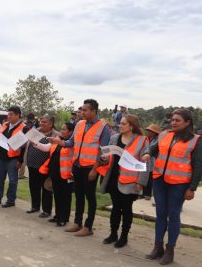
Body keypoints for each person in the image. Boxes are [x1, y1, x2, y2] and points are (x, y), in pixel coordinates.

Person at [145, 108, 201, 265]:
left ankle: (170, 250)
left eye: (177, 120)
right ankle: (158, 247)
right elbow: (154, 148)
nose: (173, 122)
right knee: (160, 214)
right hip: (160, 180)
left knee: (173, 214)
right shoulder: (164, 134)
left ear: (188, 122)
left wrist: (192, 188)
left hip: (179, 183)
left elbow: (198, 166)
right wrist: (147, 153)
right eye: (172, 120)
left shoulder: (195, 140)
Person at [48, 98, 111, 237]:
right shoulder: (79, 124)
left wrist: (95, 169)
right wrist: (58, 142)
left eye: (84, 110)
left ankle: (88, 227)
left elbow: (104, 152)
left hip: (90, 168)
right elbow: (71, 142)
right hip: (77, 165)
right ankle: (77, 222)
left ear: (93, 111)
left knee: (90, 197)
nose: (81, 111)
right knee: (79, 195)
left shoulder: (103, 128)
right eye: (81, 109)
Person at [96, 115, 149, 248]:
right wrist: (104, 159)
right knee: (115, 208)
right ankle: (113, 234)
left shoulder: (142, 140)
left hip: (130, 181)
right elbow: (109, 157)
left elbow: (145, 163)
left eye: (123, 123)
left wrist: (140, 182)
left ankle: (123, 237)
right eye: (120, 123)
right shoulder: (114, 138)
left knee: (126, 210)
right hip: (114, 178)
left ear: (131, 126)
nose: (120, 125)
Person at [0, 106, 26, 208]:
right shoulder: (5, 125)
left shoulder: (24, 128)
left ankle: (11, 200)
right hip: (1, 157)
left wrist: (20, 160)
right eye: (8, 114)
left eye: (11, 114)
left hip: (13, 158)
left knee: (13, 180)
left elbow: (24, 147)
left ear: (18, 115)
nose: (9, 116)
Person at [37, 122, 75, 226]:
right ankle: (58, 216)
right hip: (55, 173)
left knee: (65, 197)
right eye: (61, 129)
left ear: (71, 132)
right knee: (57, 196)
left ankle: (64, 218)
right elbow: (46, 147)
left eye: (64, 129)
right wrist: (34, 143)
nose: (62, 131)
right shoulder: (58, 140)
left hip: (67, 174)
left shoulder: (73, 143)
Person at [25, 114, 59, 217]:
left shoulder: (56, 135)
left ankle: (46, 210)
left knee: (46, 188)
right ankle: (35, 206)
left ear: (51, 124)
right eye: (41, 121)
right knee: (33, 186)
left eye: (44, 122)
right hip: (32, 164)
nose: (41, 123)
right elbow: (26, 143)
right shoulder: (35, 131)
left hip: (45, 166)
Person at [142, 124, 160, 200]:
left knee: (149, 177)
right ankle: (144, 192)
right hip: (148, 159)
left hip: (153, 160)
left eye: (149, 131)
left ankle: (147, 194)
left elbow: (152, 150)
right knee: (145, 175)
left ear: (154, 132)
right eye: (147, 131)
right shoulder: (149, 138)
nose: (147, 132)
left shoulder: (156, 140)